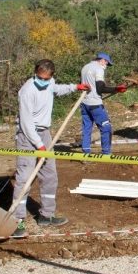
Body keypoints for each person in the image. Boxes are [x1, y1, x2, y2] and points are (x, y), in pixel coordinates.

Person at [12, 59, 89, 236]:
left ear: (51, 76)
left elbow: (56, 89)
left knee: (49, 175)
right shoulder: (27, 91)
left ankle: (46, 215)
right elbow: (26, 123)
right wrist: (39, 145)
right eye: (40, 78)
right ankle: (18, 221)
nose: (43, 82)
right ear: (35, 73)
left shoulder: (50, 83)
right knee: (24, 177)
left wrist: (75, 87)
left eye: (46, 79)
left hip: (44, 133)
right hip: (27, 136)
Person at [80, 52, 127, 154]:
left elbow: (90, 86)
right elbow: (100, 88)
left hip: (84, 102)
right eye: (106, 63)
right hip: (95, 104)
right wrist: (116, 88)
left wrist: (115, 89)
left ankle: (86, 154)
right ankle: (106, 153)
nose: (106, 66)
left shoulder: (85, 67)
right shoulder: (98, 69)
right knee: (106, 128)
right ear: (102, 60)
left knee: (86, 129)